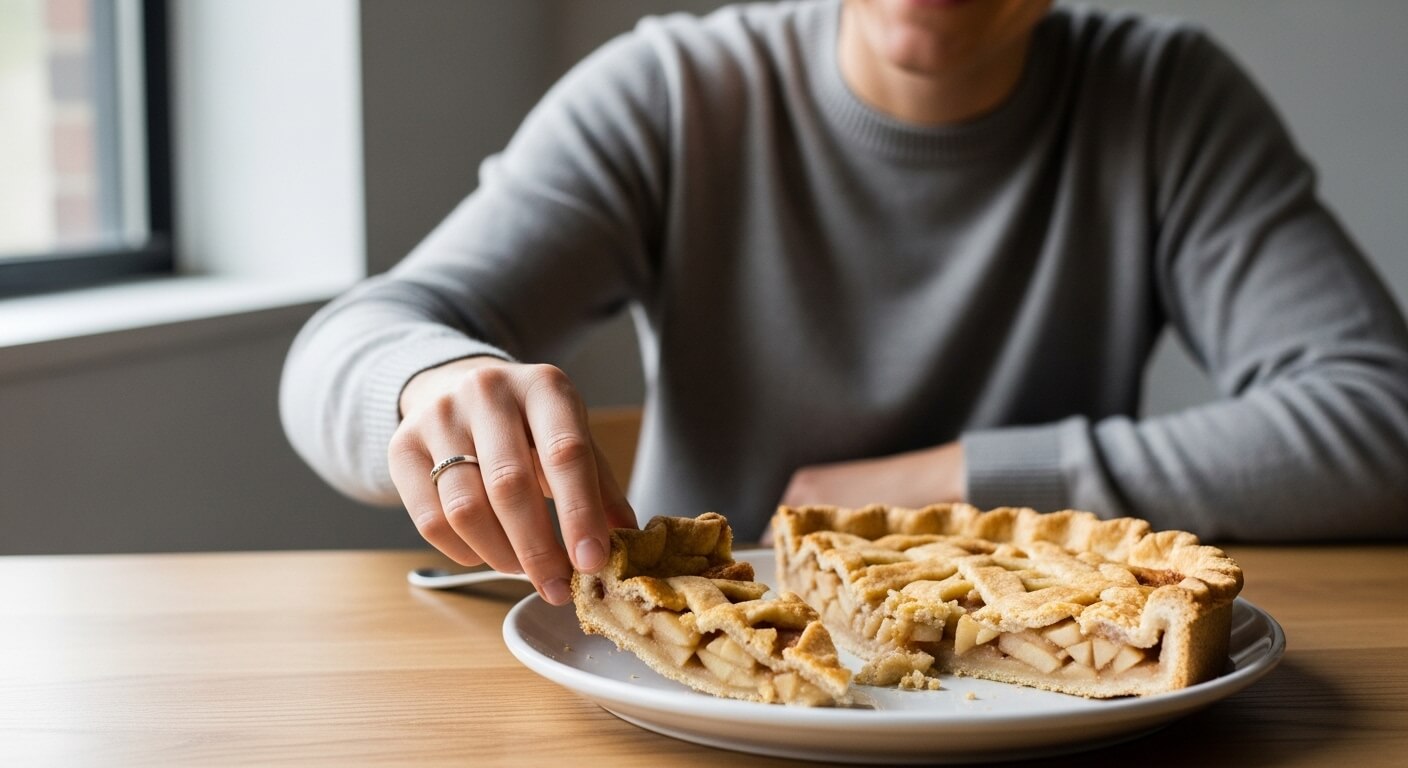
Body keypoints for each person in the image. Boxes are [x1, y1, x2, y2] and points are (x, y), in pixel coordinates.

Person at [280, 0, 1408, 607]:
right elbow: (343, 349)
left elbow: (1380, 420)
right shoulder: (673, 93)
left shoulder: (1166, 101)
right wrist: (428, 384)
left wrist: (957, 486)